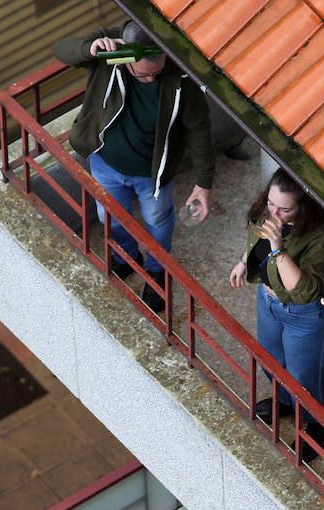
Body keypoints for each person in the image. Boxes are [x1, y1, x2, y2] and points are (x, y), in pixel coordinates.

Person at [51, 20, 215, 312]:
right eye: (142, 74)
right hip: (106, 162)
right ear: (125, 58)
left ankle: (157, 271)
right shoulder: (109, 55)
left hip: (153, 174)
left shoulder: (181, 79)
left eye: (157, 72)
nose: (151, 79)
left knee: (157, 220)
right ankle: (126, 256)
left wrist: (204, 182)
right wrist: (88, 49)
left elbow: (199, 130)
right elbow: (59, 49)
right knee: (108, 216)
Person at [229, 170, 324, 461]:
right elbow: (257, 237)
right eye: (270, 203)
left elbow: (304, 292)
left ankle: (322, 422)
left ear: (304, 208)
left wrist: (279, 250)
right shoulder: (266, 211)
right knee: (272, 361)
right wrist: (244, 261)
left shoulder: (320, 235)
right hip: (269, 300)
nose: (274, 213)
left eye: (284, 209)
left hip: (304, 312)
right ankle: (290, 402)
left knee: (306, 375)